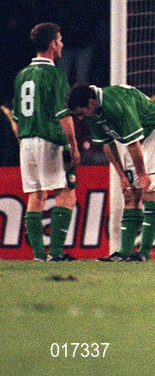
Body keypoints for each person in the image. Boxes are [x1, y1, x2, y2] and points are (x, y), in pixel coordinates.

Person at [67, 82, 155, 262]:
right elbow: (107, 145)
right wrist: (122, 176)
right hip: (134, 143)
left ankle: (144, 253)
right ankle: (124, 253)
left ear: (91, 102)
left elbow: (133, 143)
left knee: (150, 189)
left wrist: (143, 176)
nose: (80, 118)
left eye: (80, 113)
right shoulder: (92, 113)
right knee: (130, 194)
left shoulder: (116, 104)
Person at [13, 23, 79, 261]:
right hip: (50, 140)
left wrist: (24, 143)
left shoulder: (22, 75)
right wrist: (72, 145)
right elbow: (63, 114)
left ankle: (39, 256)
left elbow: (17, 118)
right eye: (59, 40)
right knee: (66, 193)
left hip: (27, 141)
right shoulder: (54, 74)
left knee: (36, 195)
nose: (62, 45)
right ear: (52, 44)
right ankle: (57, 252)